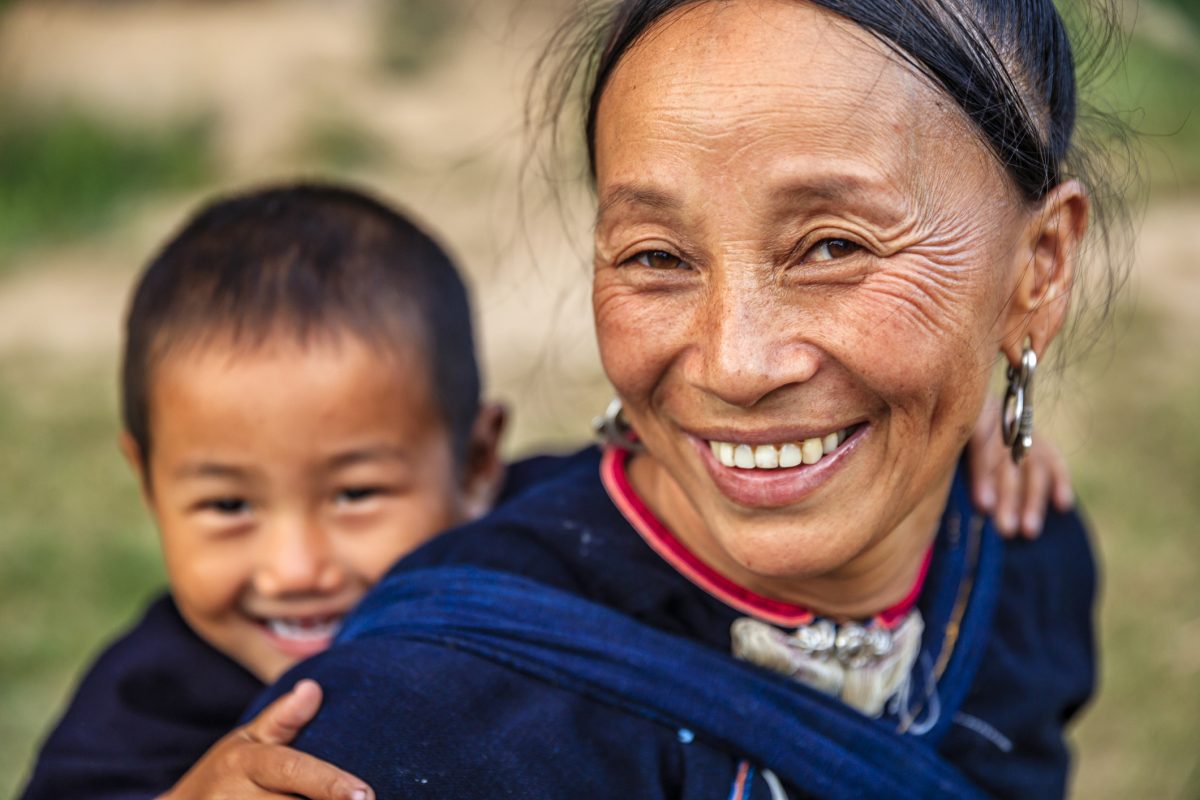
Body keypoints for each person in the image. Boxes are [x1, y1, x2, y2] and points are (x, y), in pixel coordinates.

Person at [240, 0, 1120, 797]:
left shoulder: (1025, 564)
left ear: (1038, 272)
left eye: (833, 246)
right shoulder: (415, 722)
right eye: (656, 256)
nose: (735, 365)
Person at [19, 183, 530, 799]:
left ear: (475, 464)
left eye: (355, 494)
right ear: (149, 483)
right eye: (229, 506)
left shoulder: (551, 552)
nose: (294, 570)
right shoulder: (139, 706)